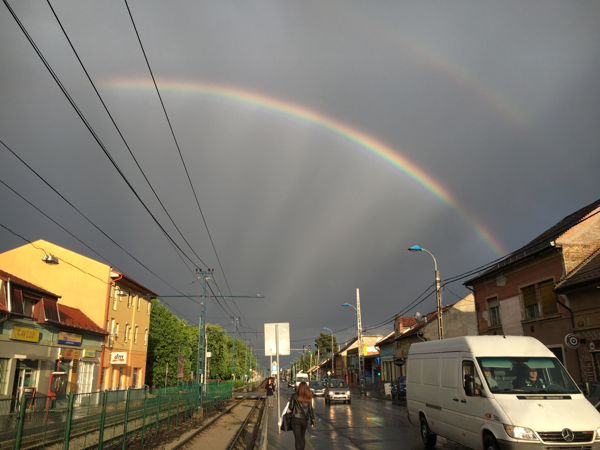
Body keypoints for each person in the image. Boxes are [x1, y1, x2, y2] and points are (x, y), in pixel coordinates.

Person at [288, 381, 315, 450]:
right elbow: (310, 410)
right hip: (304, 420)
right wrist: (313, 421)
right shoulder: (308, 397)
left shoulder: (294, 395)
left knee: (297, 439)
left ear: (299, 387)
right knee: (302, 437)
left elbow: (290, 407)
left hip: (295, 419)